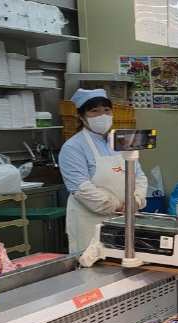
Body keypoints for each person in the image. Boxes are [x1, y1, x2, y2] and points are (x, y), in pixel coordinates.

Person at [59, 88, 147, 253]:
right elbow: (81, 188)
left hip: (126, 220)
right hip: (91, 223)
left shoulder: (122, 141)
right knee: (94, 270)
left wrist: (136, 200)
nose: (102, 115)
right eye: (94, 111)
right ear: (81, 117)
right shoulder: (73, 147)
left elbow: (139, 176)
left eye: (106, 110)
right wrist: (117, 206)